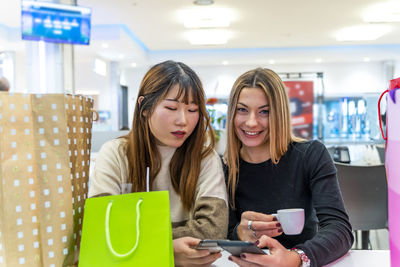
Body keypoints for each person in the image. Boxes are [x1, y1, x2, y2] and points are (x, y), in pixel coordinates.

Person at [89, 60, 228, 266]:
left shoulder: (204, 158)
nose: (183, 120)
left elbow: (212, 230)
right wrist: (166, 250)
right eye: (172, 107)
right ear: (144, 107)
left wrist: (141, 240)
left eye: (192, 110)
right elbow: (101, 230)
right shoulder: (116, 154)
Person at [223, 68, 354, 267]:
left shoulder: (310, 155)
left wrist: (295, 258)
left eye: (264, 112)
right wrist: (240, 233)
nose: (251, 122)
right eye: (242, 110)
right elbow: (222, 236)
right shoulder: (223, 167)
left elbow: (339, 229)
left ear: (280, 114)